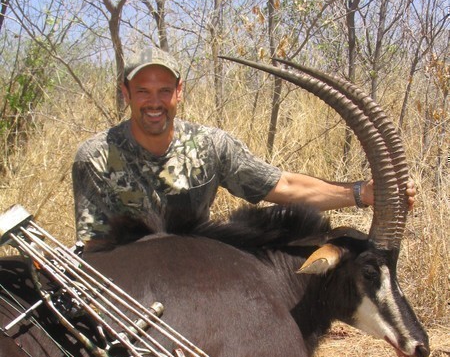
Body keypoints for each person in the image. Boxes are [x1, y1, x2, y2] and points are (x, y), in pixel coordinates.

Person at [72, 48, 415, 249]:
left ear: (179, 92)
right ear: (126, 93)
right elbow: (95, 247)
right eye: (143, 91)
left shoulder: (211, 146)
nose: (154, 102)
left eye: (164, 91)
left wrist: (362, 193)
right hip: (129, 287)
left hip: (195, 270)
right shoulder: (95, 155)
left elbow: (284, 186)